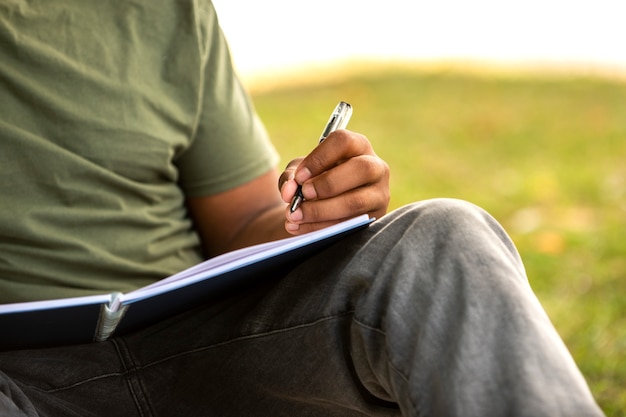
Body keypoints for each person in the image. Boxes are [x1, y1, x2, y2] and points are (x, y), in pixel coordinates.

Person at [0, 1, 605, 416]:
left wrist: (317, 211)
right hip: (21, 380)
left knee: (441, 236)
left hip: (204, 346)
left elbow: (240, 220)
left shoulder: (168, 14)